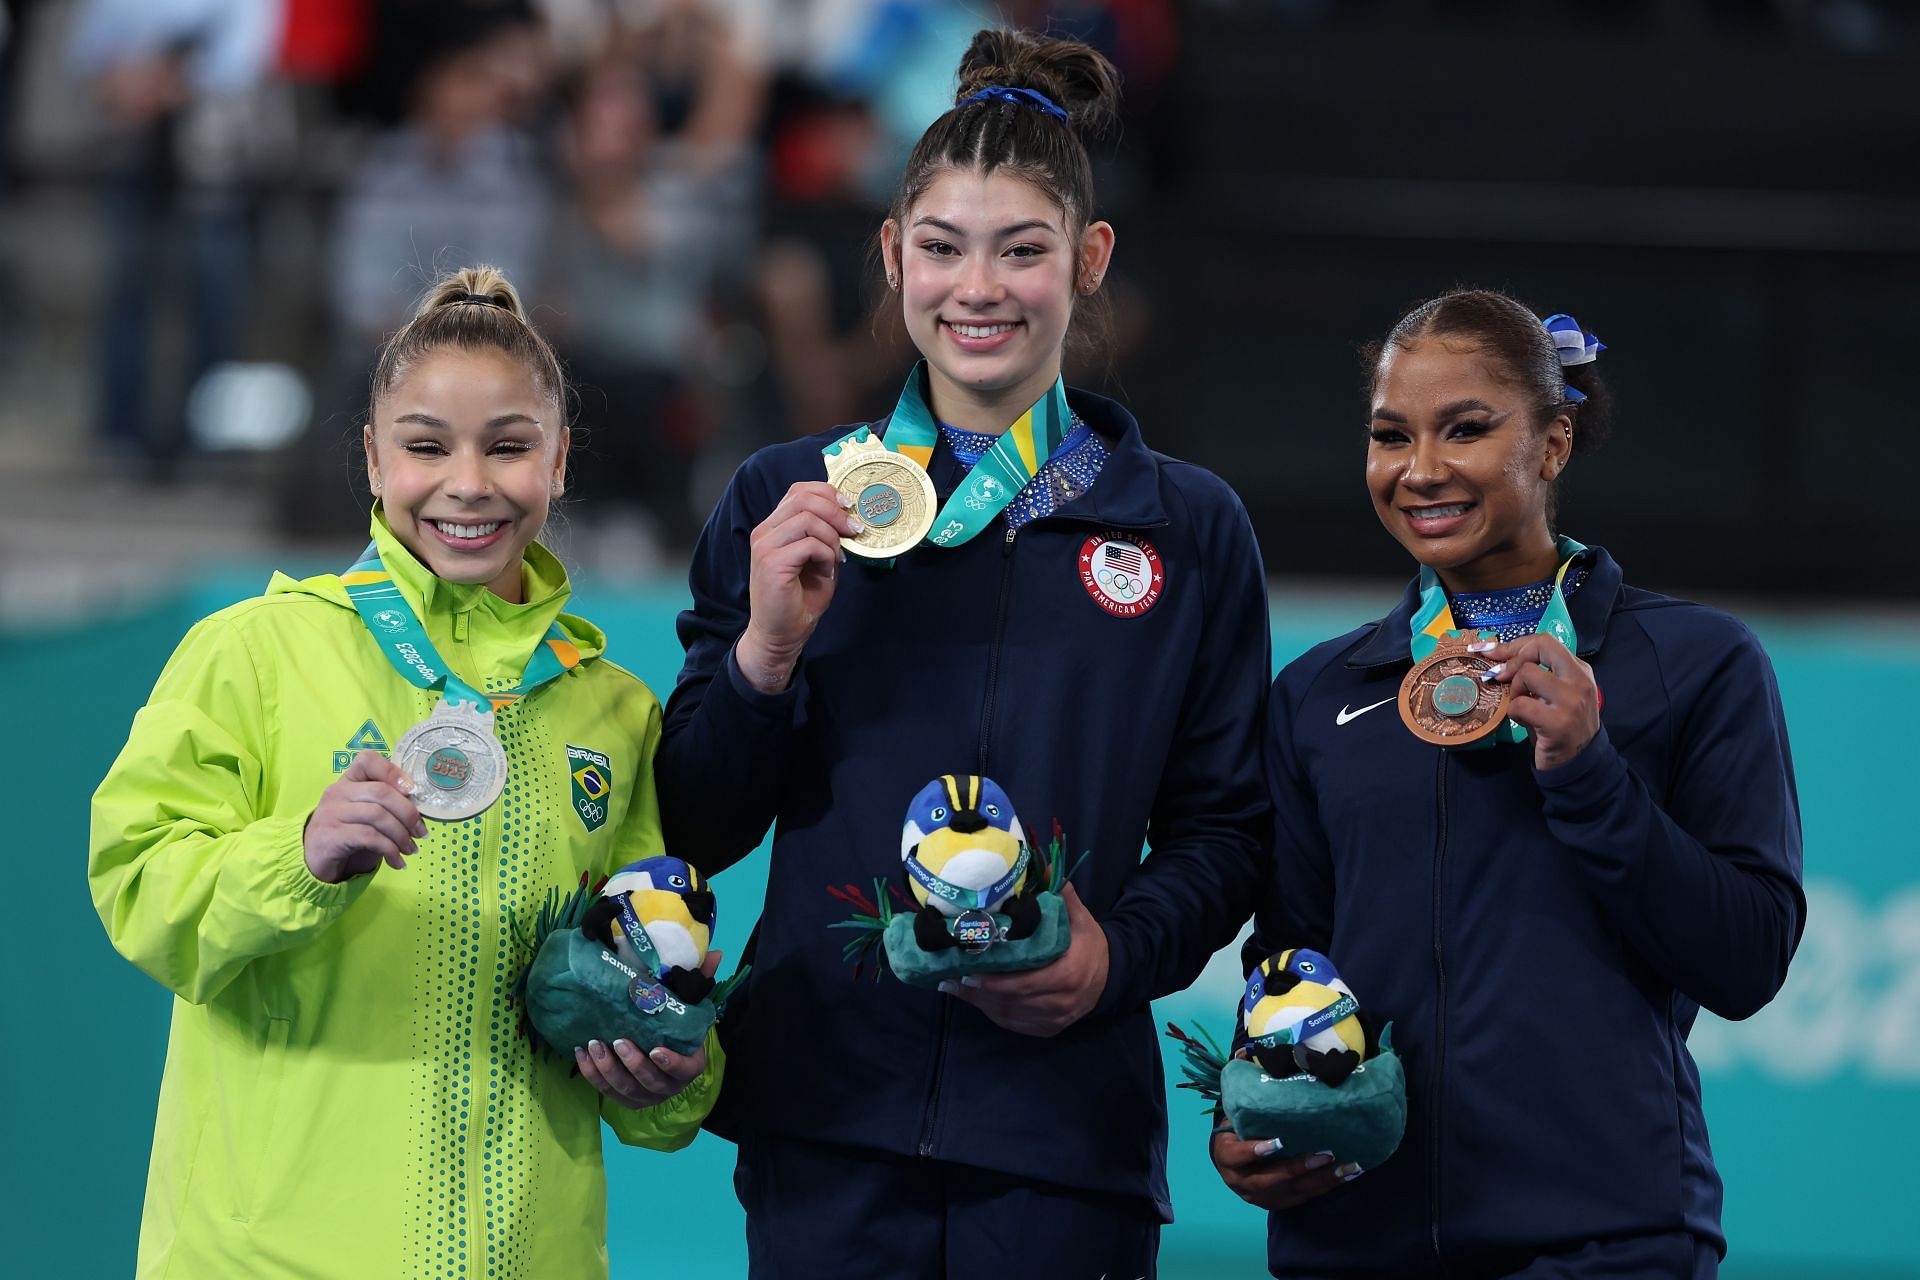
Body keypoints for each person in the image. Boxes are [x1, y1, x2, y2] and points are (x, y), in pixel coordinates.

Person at [655, 28, 1271, 1280]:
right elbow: (697, 820)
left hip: (1063, 1133)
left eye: (1021, 249)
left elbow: (1228, 829)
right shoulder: (790, 498)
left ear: (1088, 261)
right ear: (891, 256)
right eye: (940, 246)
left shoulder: (1188, 526)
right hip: (825, 1115)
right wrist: (765, 652)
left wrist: (1115, 956)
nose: (976, 287)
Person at [89, 266, 722, 1279]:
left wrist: (670, 1065)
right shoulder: (251, 652)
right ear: (375, 459)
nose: (467, 482)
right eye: (426, 445)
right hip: (271, 1256)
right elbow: (140, 893)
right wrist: (297, 854)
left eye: (509, 445)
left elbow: (651, 972)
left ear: (558, 462)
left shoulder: (612, 708)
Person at [1213, 288, 1805, 1278]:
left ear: (1555, 441)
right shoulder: (1320, 695)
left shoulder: (1693, 662)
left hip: (1604, 1243)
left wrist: (1589, 772)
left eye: (1467, 428)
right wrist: (1259, 1109)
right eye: (1391, 434)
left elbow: (1748, 958)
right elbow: (1291, 961)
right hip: (1358, 1245)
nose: (1422, 470)